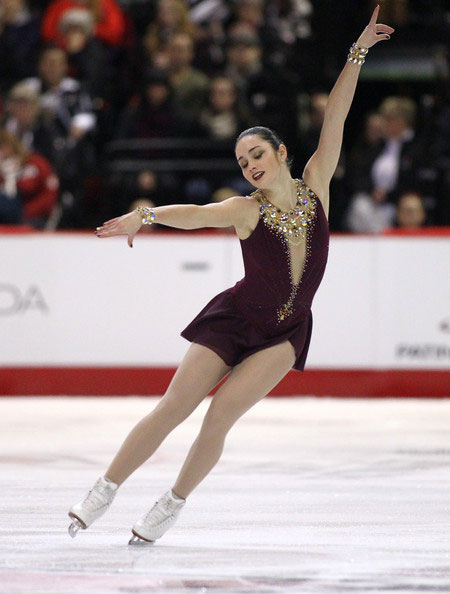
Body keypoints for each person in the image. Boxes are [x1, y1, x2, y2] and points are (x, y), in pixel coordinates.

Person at [68, 7, 393, 544]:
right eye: (243, 162)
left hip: (285, 334)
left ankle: (169, 506)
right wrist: (145, 216)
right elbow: (193, 215)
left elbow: (335, 117)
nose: (250, 166)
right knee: (175, 407)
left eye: (257, 154)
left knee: (218, 418)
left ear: (281, 153)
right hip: (235, 318)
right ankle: (105, 488)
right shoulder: (246, 210)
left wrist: (357, 53)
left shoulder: (317, 188)